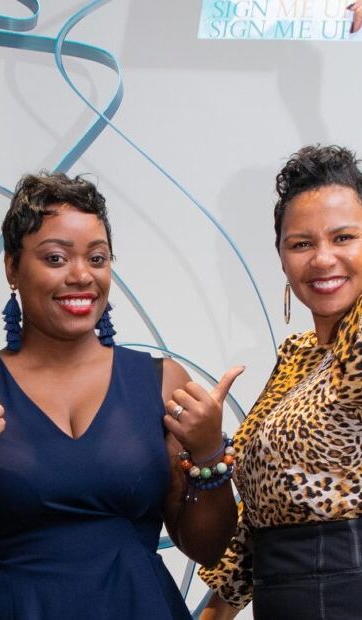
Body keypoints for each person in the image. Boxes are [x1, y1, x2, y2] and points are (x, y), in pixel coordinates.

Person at [0, 171, 241, 619]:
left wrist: (208, 452)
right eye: (56, 258)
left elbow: (208, 547)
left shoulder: (162, 381)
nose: (81, 275)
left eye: (97, 258)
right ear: (12, 268)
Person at [199, 145, 362, 619]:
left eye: (344, 237)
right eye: (301, 243)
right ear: (282, 258)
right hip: (283, 597)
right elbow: (264, 513)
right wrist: (215, 612)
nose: (323, 258)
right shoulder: (298, 357)